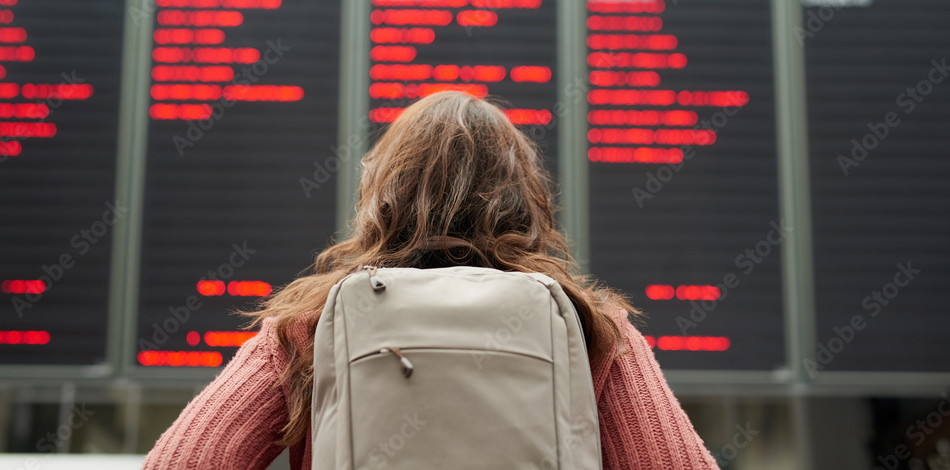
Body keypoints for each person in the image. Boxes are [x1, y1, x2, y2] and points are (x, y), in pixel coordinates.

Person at [142, 91, 720, 470]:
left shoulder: (307, 327)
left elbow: (182, 463)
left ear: (382, 193)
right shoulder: (592, 328)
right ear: (527, 197)